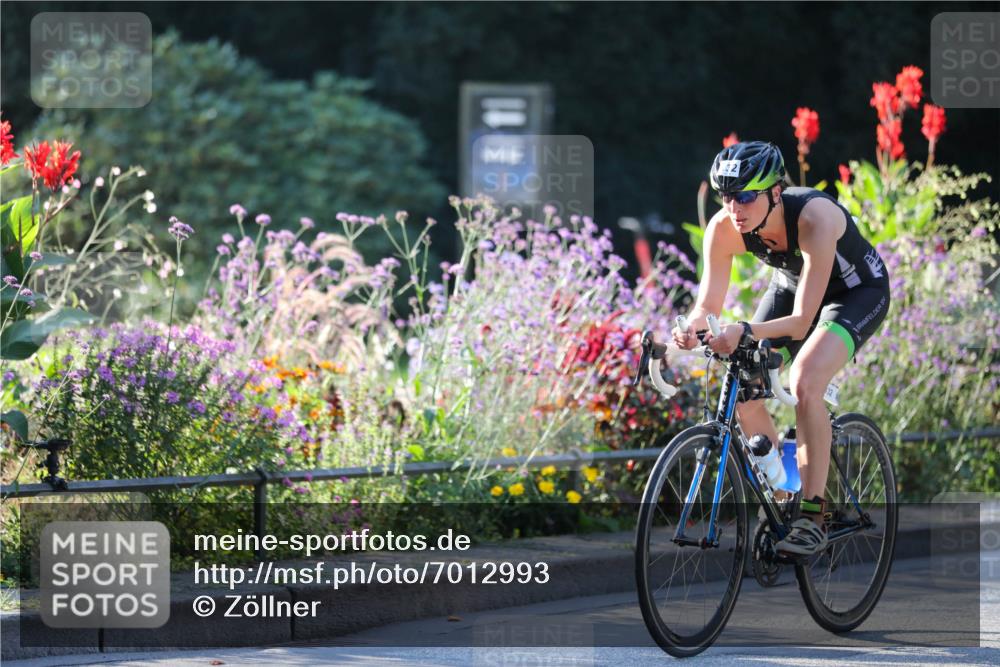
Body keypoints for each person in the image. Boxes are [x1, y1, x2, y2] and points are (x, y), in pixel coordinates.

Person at [672, 141, 890, 555]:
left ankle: (813, 515)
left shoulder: (815, 218)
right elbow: (706, 307)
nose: (734, 208)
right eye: (726, 196)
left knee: (806, 378)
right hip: (792, 289)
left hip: (855, 293)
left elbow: (802, 323)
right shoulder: (724, 227)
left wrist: (744, 328)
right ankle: (784, 492)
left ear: (775, 192)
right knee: (743, 384)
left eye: (745, 196)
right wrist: (683, 334)